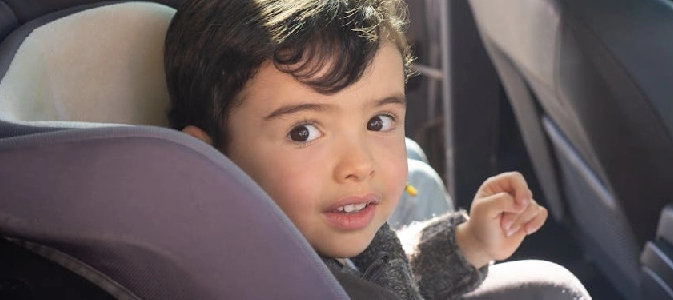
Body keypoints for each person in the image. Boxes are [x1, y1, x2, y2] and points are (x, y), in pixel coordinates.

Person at [163, 0, 590, 299]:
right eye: (303, 132)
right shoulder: (262, 282)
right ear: (211, 160)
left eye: (378, 122)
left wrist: (469, 242)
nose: (360, 164)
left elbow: (381, 274)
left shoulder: (314, 237)